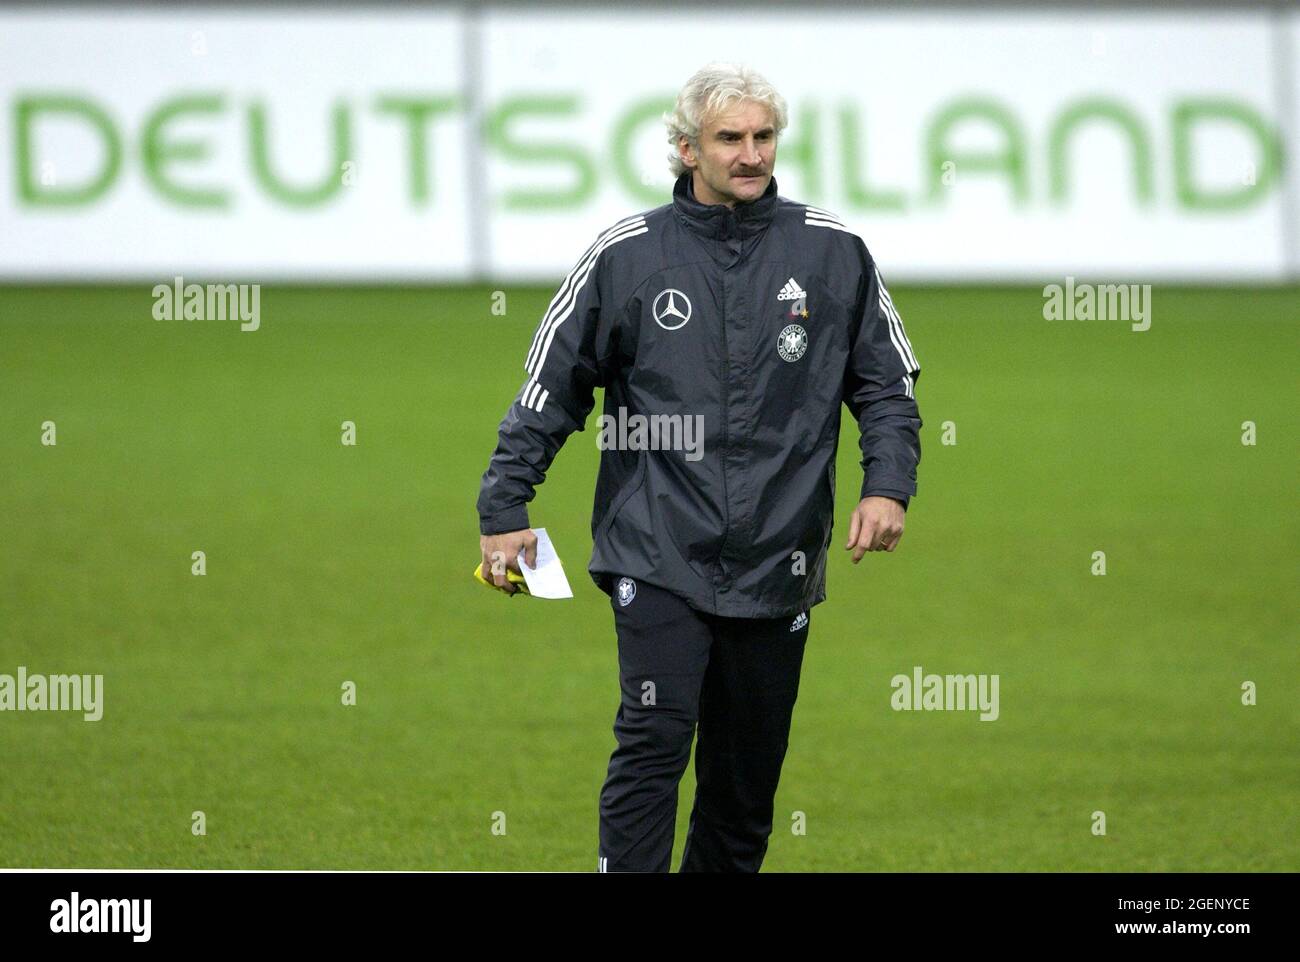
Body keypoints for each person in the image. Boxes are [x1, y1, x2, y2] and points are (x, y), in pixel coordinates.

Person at [476, 62, 922, 872]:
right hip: (657, 547)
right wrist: (504, 509)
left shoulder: (833, 252)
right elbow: (552, 389)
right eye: (730, 139)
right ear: (687, 149)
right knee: (653, 736)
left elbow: (886, 383)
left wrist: (887, 484)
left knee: (744, 780)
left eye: (763, 136)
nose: (751, 154)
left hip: (780, 553)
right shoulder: (627, 256)